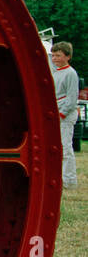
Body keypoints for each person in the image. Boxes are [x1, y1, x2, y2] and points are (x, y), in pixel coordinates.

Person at [51, 41, 79, 188]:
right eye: (53, 55)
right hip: (57, 113)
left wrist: (62, 113)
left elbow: (72, 97)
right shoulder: (55, 72)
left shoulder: (71, 73)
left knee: (65, 147)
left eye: (58, 56)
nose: (54, 58)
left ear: (67, 57)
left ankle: (69, 180)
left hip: (65, 116)